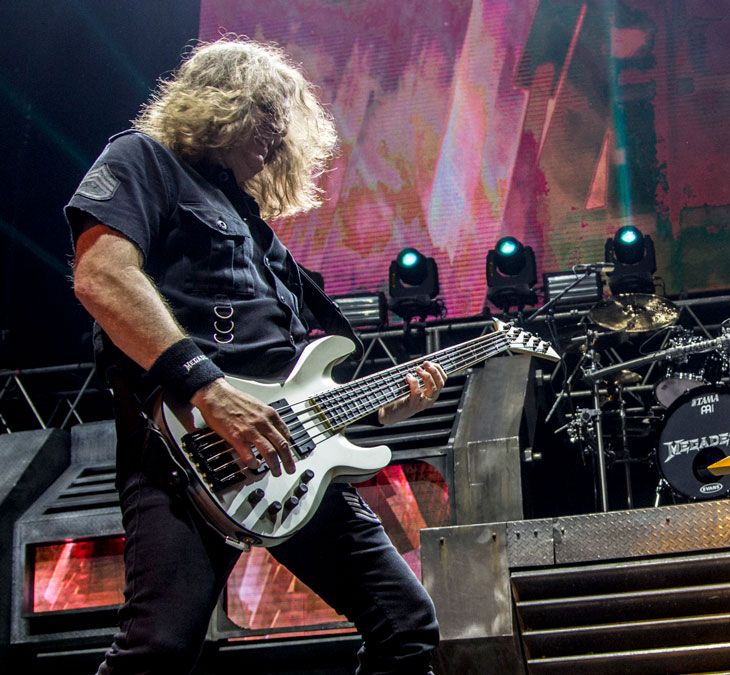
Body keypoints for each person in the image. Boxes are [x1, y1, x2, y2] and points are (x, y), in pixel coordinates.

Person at [66, 38, 446, 674]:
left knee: (406, 624)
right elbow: (101, 278)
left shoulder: (259, 234)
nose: (275, 137)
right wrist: (210, 391)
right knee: (156, 651)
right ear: (223, 104)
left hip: (288, 460)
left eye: (283, 124)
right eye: (265, 117)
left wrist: (385, 407)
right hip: (186, 451)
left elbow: (295, 375)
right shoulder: (142, 160)